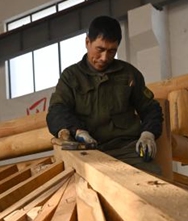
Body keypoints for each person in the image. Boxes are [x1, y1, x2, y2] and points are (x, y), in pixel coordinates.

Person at [47, 16, 163, 175]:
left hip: (127, 151)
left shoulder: (129, 74)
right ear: (87, 42)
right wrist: (78, 131)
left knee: (155, 186)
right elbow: (56, 111)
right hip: (88, 152)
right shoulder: (71, 77)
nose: (104, 58)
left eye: (112, 51)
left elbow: (151, 108)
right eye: (100, 49)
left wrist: (148, 134)